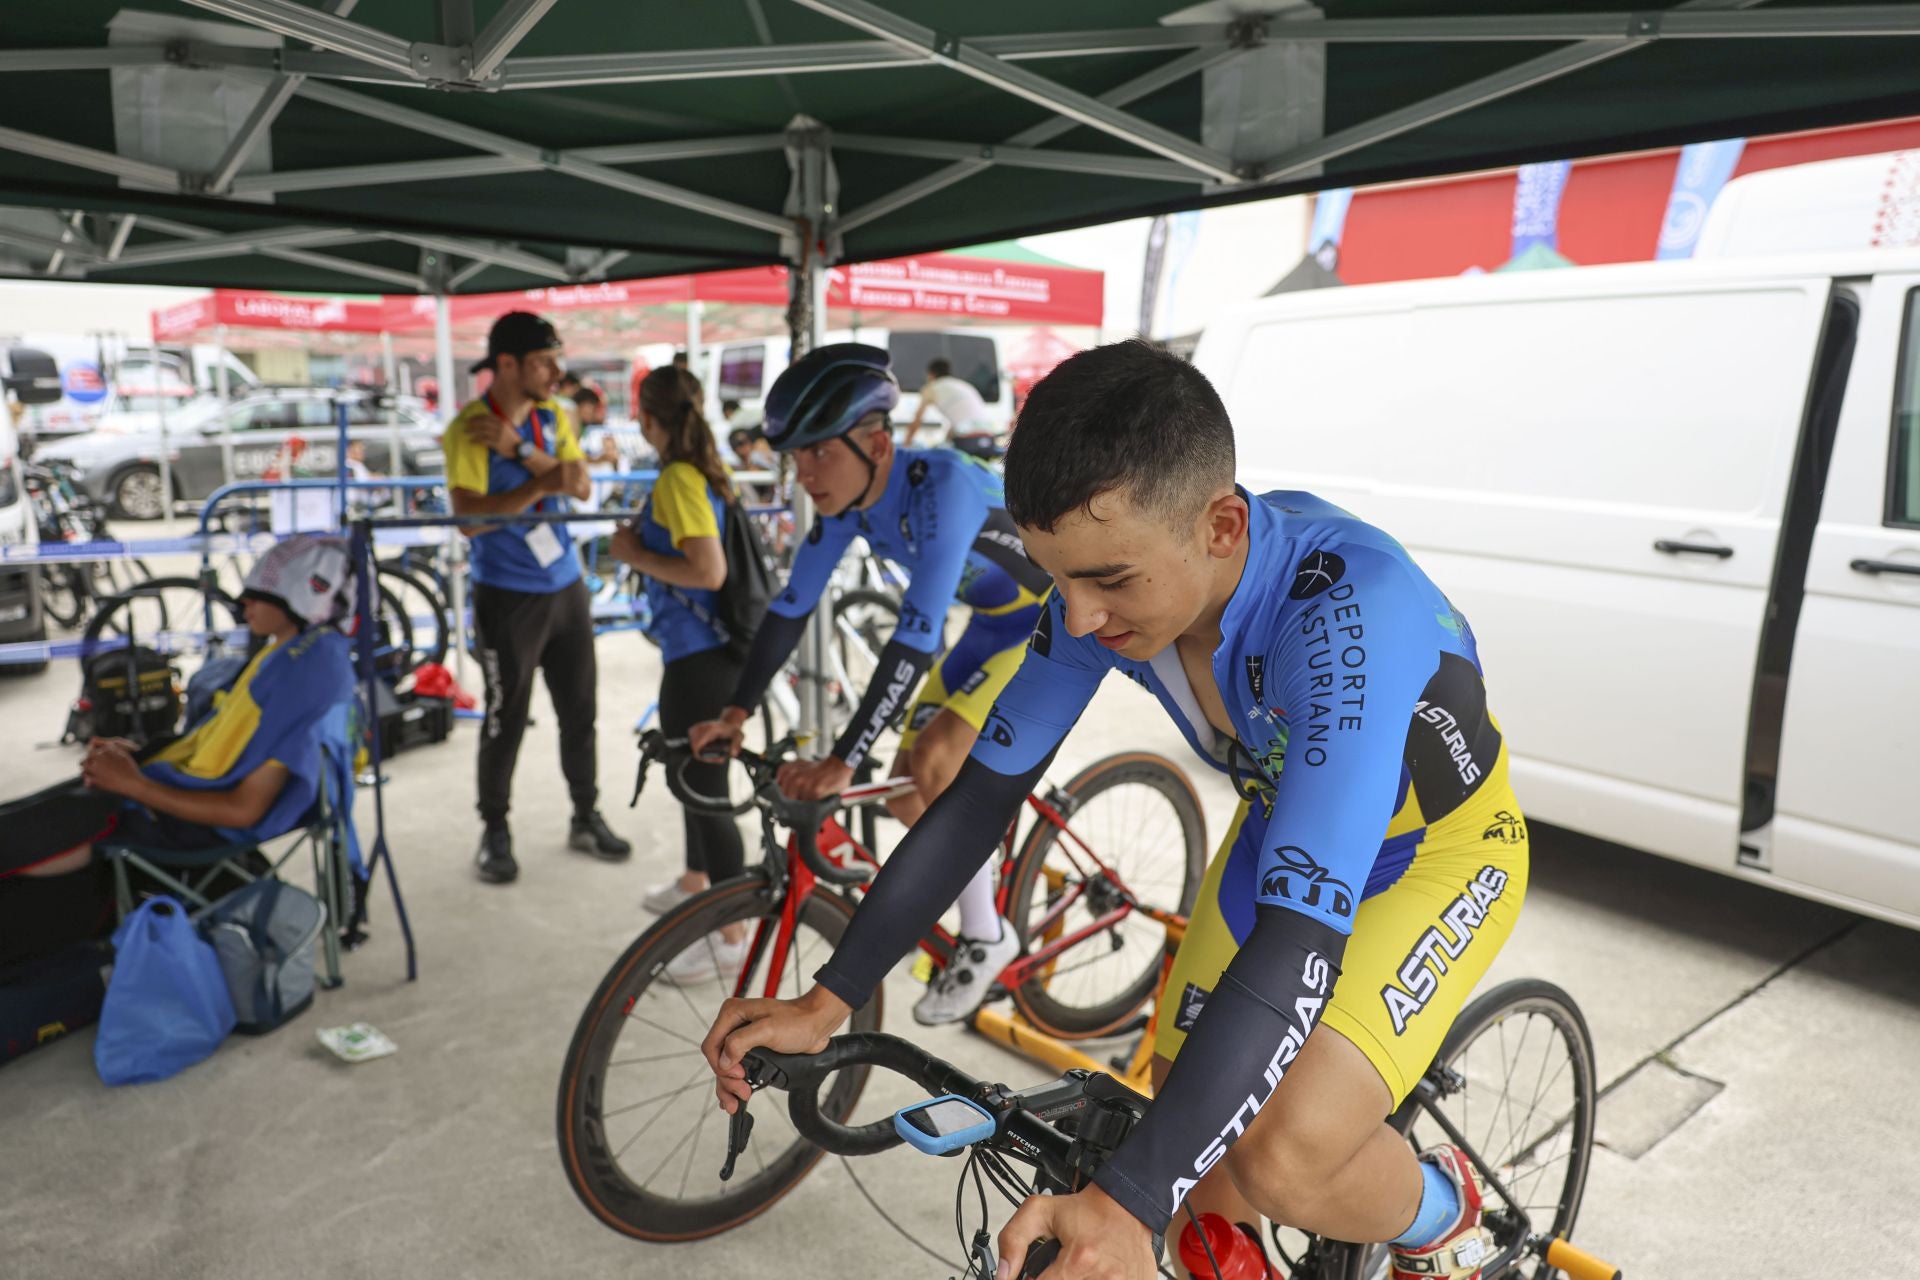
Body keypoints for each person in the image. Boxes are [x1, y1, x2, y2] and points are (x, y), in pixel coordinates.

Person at [699, 340, 1530, 1280]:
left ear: (1220, 527)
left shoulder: (1346, 618)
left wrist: (1127, 1204)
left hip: (1437, 855)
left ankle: (1439, 1211)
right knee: (1187, 1167)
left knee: (1278, 1156)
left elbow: (1301, 938)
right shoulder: (1113, 579)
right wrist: (828, 997)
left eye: (1111, 580)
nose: (1081, 618)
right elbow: (979, 801)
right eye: (1061, 579)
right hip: (1282, 831)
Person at [686, 344, 1052, 1017]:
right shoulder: (845, 510)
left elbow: (915, 638)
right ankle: (987, 895)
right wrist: (736, 711)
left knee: (938, 765)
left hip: (1044, 626)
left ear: (878, 444)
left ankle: (986, 935)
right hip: (991, 623)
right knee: (909, 794)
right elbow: (790, 607)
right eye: (795, 456)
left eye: (818, 452)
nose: (803, 473)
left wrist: (843, 761)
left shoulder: (942, 485)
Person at [0, 535, 359, 968]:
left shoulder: (302, 681)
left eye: (259, 596)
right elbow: (223, 745)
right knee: (28, 815)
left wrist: (134, 783)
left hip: (188, 822)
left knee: (26, 837)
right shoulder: (289, 653)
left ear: (302, 599)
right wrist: (144, 756)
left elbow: (244, 810)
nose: (243, 603)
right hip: (164, 795)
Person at [443, 311, 630, 884]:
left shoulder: (552, 416)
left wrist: (522, 453)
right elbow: (468, 518)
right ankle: (494, 829)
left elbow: (580, 484)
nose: (557, 371)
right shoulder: (469, 427)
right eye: (545, 361)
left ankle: (584, 813)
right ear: (507, 364)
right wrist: (542, 482)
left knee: (582, 712)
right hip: (506, 596)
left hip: (566, 587)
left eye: (556, 359)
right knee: (505, 718)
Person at [608, 368, 752, 982]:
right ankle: (698, 885)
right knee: (690, 776)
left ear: (646, 420)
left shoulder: (677, 478)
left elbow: (708, 571)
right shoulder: (701, 471)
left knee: (705, 790)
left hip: (702, 655)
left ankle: (731, 936)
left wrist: (633, 553)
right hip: (702, 653)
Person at [905, 357, 992, 447]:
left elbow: (917, 420)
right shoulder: (962, 385)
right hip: (988, 437)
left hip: (967, 438)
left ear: (931, 375)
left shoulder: (931, 387)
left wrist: (906, 444)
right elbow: (961, 420)